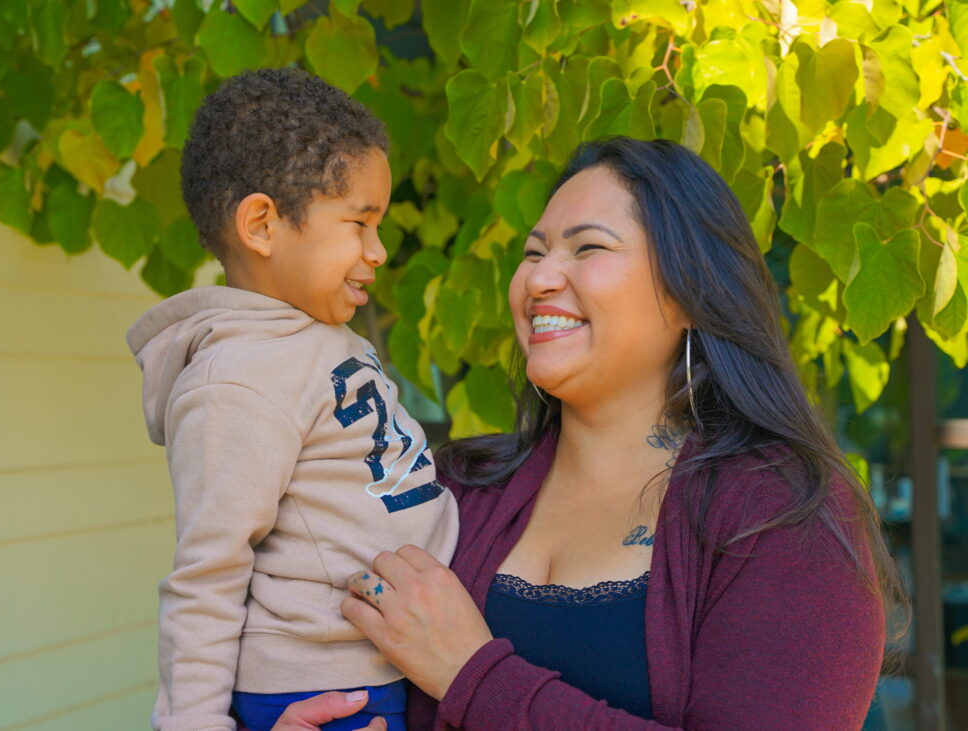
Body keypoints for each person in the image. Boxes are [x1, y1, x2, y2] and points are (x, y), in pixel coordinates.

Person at [283, 136, 905, 730]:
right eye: (532, 253)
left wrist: (474, 676)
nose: (540, 278)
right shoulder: (450, 490)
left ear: (690, 291)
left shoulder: (780, 515)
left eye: (588, 249)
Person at [126, 68, 459, 731]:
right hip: (332, 690)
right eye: (359, 224)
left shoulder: (318, 337)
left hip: (395, 659)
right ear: (262, 224)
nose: (379, 250)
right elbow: (207, 575)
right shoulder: (237, 380)